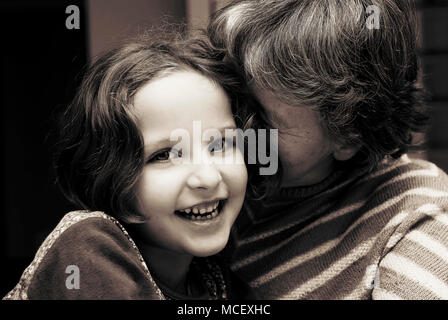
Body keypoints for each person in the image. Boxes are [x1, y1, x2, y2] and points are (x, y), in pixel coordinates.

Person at [208, 0, 448, 299]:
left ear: (348, 134)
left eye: (259, 116)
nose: (232, 128)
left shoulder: (419, 220)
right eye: (231, 95)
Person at [3, 32, 250, 300]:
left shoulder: (213, 276)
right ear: (109, 175)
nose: (208, 177)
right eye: (165, 155)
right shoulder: (88, 245)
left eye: (221, 144)